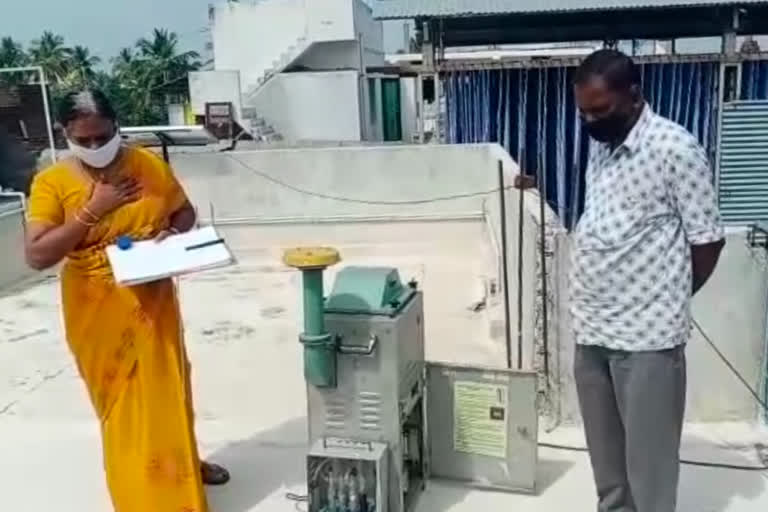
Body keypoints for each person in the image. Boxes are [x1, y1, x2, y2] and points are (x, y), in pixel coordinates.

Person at [24, 89, 230, 511]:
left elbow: (183, 211)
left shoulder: (147, 165)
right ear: (67, 135)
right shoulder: (53, 182)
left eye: (103, 136)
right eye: (85, 141)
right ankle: (144, 490)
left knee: (170, 387)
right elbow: (38, 255)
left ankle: (183, 463)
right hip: (96, 308)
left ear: (117, 127)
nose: (96, 148)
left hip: (152, 297)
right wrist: (92, 211)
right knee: (123, 405)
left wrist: (171, 236)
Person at [570, 50, 725, 511]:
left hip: (647, 340)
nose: (590, 121)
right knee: (609, 470)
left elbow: (708, 242)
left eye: (600, 110)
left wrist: (667, 295)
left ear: (634, 97)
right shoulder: (602, 146)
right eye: (582, 111)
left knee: (649, 470)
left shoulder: (674, 148)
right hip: (592, 330)